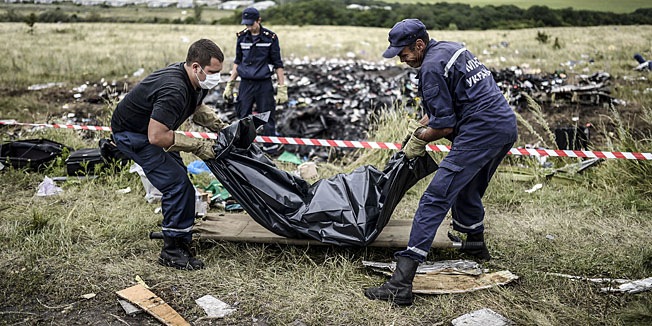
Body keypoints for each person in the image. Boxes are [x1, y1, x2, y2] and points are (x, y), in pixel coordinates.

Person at [365, 19, 518, 305]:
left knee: (434, 198)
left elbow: (445, 127)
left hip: (479, 133)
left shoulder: (431, 68)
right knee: (468, 187)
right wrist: (418, 129)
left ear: (419, 45)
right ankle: (475, 245)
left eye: (404, 52)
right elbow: (439, 112)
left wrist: (420, 139)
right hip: (504, 127)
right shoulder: (448, 50)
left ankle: (401, 284)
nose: (401, 57)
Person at [111, 39, 228, 271]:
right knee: (176, 184)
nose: (217, 78)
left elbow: (195, 108)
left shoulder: (194, 80)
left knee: (180, 178)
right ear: (196, 66)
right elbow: (156, 136)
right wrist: (197, 146)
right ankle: (172, 251)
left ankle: (181, 236)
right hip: (135, 135)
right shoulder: (174, 88)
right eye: (213, 72)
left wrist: (220, 127)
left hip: (151, 130)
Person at [223, 7, 287, 153]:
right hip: (245, 83)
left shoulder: (270, 38)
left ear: (259, 20)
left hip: (264, 83)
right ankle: (243, 147)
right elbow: (237, 61)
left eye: (251, 24)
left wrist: (282, 87)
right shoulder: (241, 37)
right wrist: (230, 83)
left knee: (267, 115)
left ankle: (271, 149)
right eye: (246, 24)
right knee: (242, 114)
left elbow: (278, 64)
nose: (249, 27)